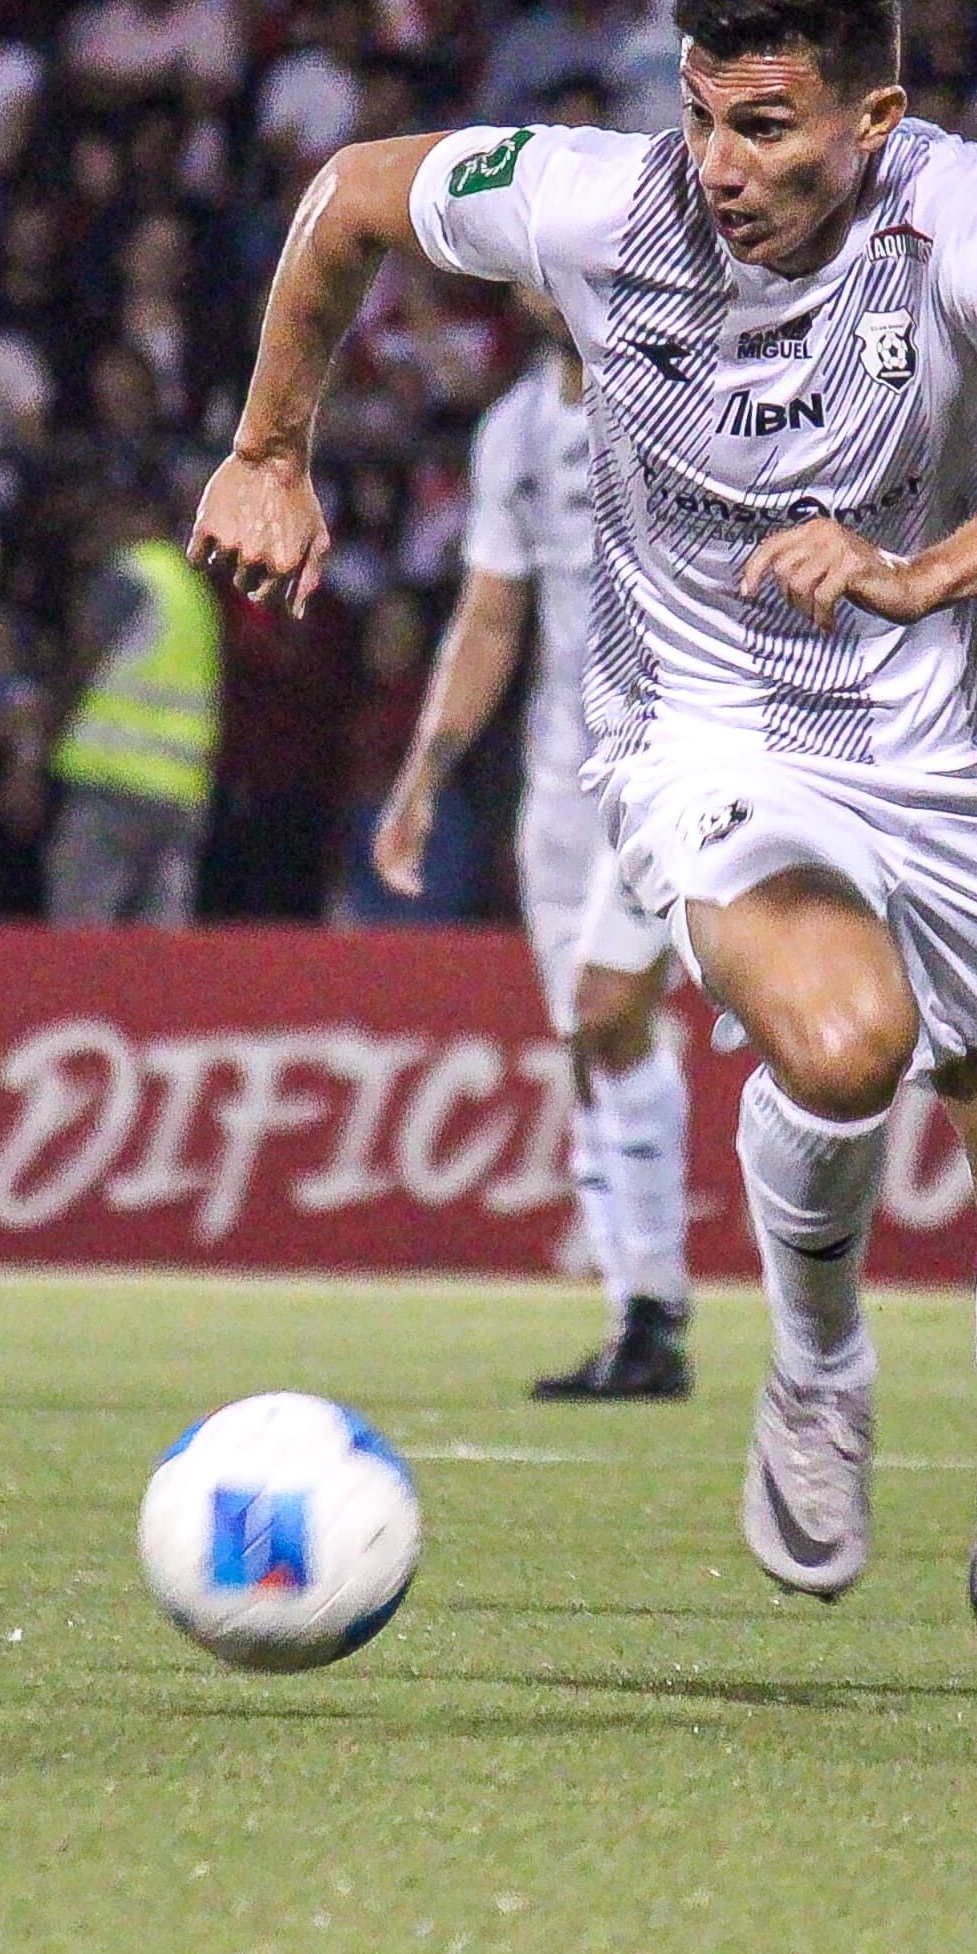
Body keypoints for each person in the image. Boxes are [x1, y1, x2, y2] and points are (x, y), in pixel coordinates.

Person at [193, 0, 977, 1706]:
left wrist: (923, 571)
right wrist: (272, 446)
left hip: (959, 750)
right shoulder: (600, 202)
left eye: (769, 129)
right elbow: (352, 194)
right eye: (703, 122)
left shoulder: (965, 215)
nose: (725, 172)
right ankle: (817, 1356)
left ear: (875, 118)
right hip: (706, 724)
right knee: (841, 1045)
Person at [369, 289, 693, 1403]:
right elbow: (493, 612)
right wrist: (425, 768)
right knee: (586, 1037)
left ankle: (664, 1307)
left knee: (609, 1011)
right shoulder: (511, 427)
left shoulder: (685, 385)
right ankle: (637, 1312)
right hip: (563, 781)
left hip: (684, 760)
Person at [47, 485, 220, 926]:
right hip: (179, 795)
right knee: (157, 951)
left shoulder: (130, 575)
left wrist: (42, 746)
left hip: (112, 785)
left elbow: (79, 665)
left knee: (80, 940)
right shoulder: (193, 591)